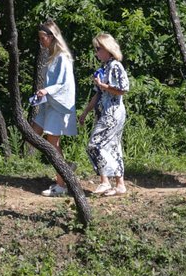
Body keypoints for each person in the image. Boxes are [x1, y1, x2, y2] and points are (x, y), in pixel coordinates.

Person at [78, 33, 130, 196]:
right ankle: (120, 185)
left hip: (113, 112)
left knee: (94, 145)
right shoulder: (105, 68)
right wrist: (85, 112)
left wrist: (104, 86)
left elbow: (123, 89)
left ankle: (105, 181)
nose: (97, 52)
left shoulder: (115, 66)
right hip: (104, 112)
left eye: (99, 49)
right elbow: (97, 94)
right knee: (113, 146)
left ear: (108, 49)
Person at [32, 21, 78, 197]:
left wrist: (46, 90)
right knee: (33, 134)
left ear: (51, 37)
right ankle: (65, 169)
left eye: (42, 38)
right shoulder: (52, 56)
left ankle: (61, 184)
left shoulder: (62, 57)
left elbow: (64, 83)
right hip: (49, 103)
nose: (41, 41)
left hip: (58, 105)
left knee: (53, 143)